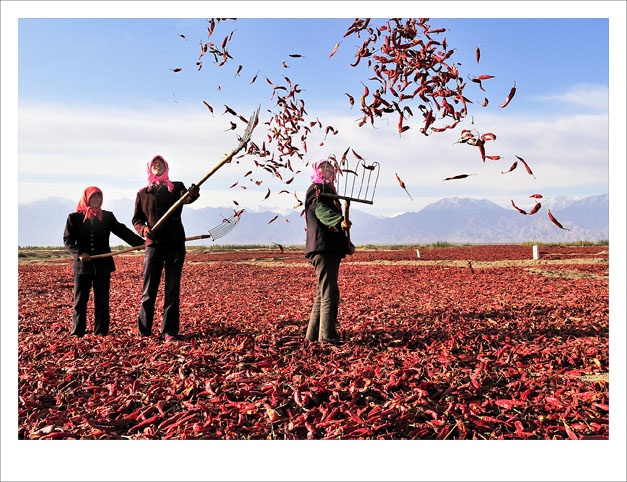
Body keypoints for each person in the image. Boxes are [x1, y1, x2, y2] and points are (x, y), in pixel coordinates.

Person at [132, 155, 200, 341]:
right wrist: (143, 229)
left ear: (166, 167)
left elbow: (187, 199)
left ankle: (169, 331)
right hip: (153, 245)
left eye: (160, 163)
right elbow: (136, 219)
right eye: (154, 164)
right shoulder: (143, 193)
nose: (157, 165)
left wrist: (192, 193)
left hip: (175, 244)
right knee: (149, 290)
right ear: (149, 168)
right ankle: (144, 330)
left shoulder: (176, 187)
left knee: (172, 289)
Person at [64, 186, 145, 337]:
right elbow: (68, 240)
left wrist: (139, 243)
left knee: (102, 300)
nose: (96, 200)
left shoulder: (107, 216)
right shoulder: (74, 218)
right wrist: (79, 253)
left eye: (99, 197)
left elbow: (122, 231)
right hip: (83, 266)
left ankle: (101, 332)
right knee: (80, 301)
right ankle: (77, 332)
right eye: (93, 197)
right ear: (86, 199)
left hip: (103, 265)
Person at [304, 159, 354, 345]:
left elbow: (337, 225)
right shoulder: (316, 189)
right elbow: (320, 210)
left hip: (329, 248)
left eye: (331, 168)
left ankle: (312, 336)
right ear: (317, 171)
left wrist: (348, 244)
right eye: (323, 168)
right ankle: (328, 338)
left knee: (322, 293)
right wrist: (338, 219)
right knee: (330, 294)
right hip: (322, 248)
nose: (328, 171)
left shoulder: (330, 192)